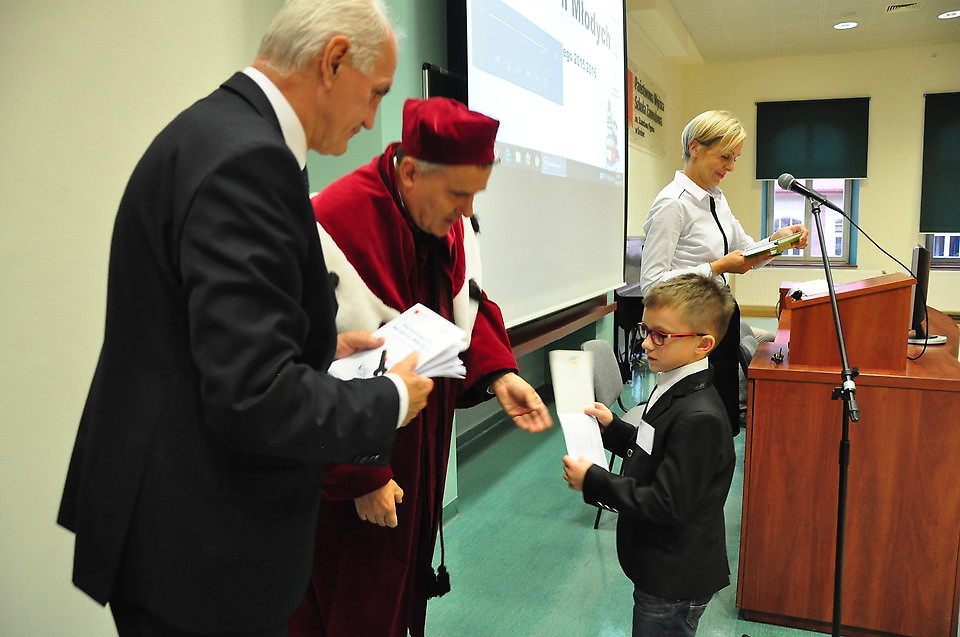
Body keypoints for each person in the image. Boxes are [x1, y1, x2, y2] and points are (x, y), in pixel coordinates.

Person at [57, 2, 434, 636]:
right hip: (200, 542)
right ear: (333, 61)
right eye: (375, 93)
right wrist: (389, 398)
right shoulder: (250, 161)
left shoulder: (215, 131)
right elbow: (253, 393)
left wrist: (320, 347)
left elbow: (207, 335)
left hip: (174, 516)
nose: (373, 119)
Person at [287, 97, 553, 637]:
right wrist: (362, 474)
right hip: (351, 474)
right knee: (353, 602)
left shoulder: (446, 222)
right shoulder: (334, 225)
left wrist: (500, 374)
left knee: (400, 592)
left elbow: (464, 305)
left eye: (475, 195)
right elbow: (308, 369)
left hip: (420, 447)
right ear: (410, 172)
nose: (467, 210)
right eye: (458, 194)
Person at [562, 273, 737, 637]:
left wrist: (593, 479)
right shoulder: (674, 381)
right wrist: (613, 428)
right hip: (659, 565)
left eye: (661, 335)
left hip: (674, 579)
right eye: (646, 330)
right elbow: (654, 447)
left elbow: (667, 503)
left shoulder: (700, 417)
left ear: (703, 344)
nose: (645, 343)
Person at [638, 110, 808, 435]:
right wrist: (716, 268)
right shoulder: (673, 203)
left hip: (719, 314)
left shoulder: (716, 198)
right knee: (698, 422)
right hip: (687, 328)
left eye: (735, 159)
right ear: (695, 147)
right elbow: (652, 283)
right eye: (725, 156)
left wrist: (778, 242)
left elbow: (746, 251)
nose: (730, 167)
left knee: (722, 414)